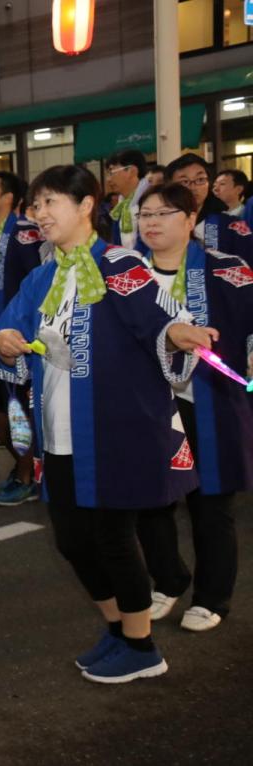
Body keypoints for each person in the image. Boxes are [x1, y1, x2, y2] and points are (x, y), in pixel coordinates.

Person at [0, 164, 216, 684]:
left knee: (113, 538)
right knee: (72, 540)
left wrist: (181, 334)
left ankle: (141, 646)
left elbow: (165, 318)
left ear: (86, 204)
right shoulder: (43, 275)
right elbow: (9, 324)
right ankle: (119, 630)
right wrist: (3, 339)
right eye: (36, 204)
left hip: (115, 427)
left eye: (49, 203)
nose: (39, 214)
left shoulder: (119, 265)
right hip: (59, 429)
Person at [131, 183, 253, 632]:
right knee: (150, 500)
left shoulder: (227, 269)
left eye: (164, 213)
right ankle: (168, 580)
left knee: (211, 503)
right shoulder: (125, 275)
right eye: (145, 214)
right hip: (148, 405)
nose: (153, 222)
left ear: (190, 218)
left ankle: (213, 596)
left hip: (209, 400)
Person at [0, 170, 45, 506]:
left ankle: (28, 474)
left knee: (17, 409)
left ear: (9, 198)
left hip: (18, 341)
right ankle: (23, 465)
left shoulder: (28, 235)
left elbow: (40, 285)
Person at [165, 153, 253, 265]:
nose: (193, 187)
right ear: (169, 186)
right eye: (184, 181)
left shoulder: (231, 225)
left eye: (200, 179)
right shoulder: (157, 224)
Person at [103, 149, 150, 251]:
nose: (108, 179)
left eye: (111, 172)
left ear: (132, 171)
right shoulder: (120, 206)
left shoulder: (152, 200)